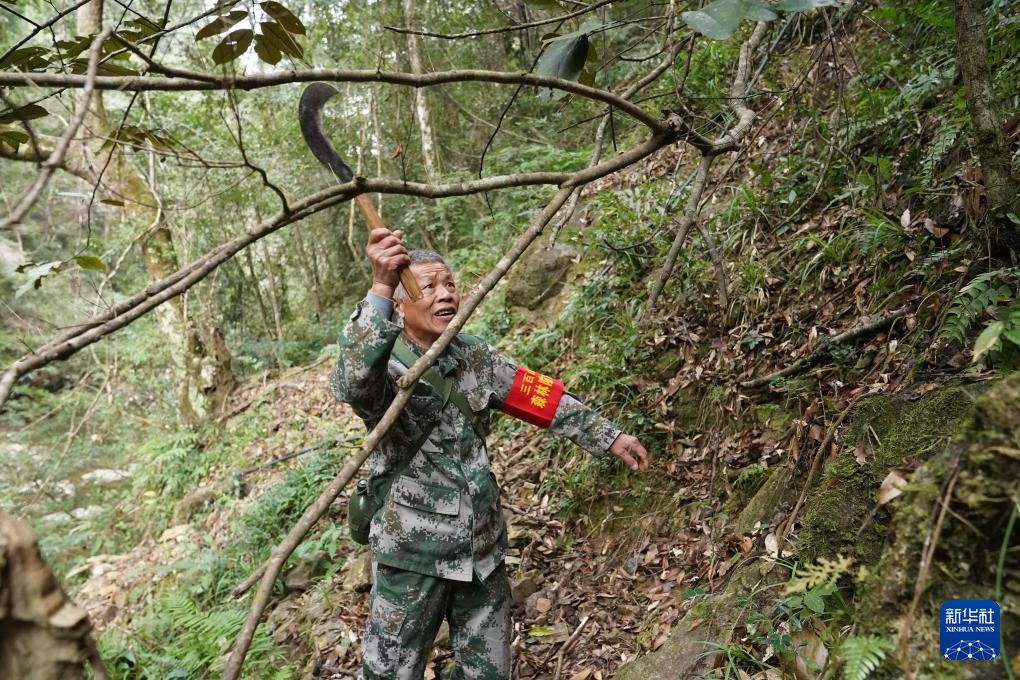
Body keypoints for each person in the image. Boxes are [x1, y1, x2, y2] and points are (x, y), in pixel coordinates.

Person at [330, 227, 651, 680]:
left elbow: (537, 396)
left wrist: (607, 436)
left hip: (481, 551)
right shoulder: (386, 365)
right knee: (388, 674)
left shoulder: (474, 357)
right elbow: (352, 382)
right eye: (429, 287)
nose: (445, 295)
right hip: (412, 556)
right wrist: (381, 284)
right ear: (401, 304)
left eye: (450, 284)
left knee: (489, 672)